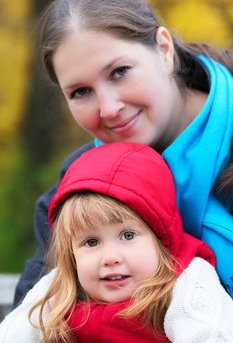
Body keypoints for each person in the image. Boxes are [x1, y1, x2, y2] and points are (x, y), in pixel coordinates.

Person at [13, 0, 233, 307]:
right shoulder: (76, 190)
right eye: (81, 91)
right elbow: (35, 313)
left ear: (164, 51)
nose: (109, 108)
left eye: (120, 72)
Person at [1, 142, 233, 343]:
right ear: (71, 254)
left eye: (128, 236)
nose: (110, 257)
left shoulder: (185, 281)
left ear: (160, 237)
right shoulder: (58, 289)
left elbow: (209, 334)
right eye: (91, 242)